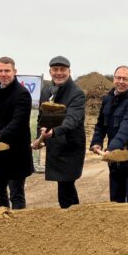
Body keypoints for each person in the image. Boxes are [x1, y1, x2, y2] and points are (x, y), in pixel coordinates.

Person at [33, 56, 86, 208]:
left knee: (66, 185)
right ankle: (71, 214)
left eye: (62, 70)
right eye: (55, 70)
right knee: (64, 186)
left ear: (69, 71)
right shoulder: (46, 90)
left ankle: (72, 216)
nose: (59, 73)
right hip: (55, 146)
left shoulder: (77, 93)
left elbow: (72, 120)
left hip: (71, 146)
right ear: (50, 71)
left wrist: (53, 132)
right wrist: (39, 138)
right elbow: (42, 118)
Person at [90, 66, 128, 202]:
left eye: (125, 79)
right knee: (115, 202)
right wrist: (97, 142)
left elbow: (127, 128)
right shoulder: (108, 99)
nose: (121, 81)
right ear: (113, 79)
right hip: (115, 163)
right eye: (118, 78)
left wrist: (111, 149)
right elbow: (100, 125)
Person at [0, 57, 34, 209]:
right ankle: (3, 221)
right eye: (0, 71)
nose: (3, 74)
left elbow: (17, 122)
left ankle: (18, 227)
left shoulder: (22, 94)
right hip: (0, 151)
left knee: (16, 194)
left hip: (17, 152)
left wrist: (0, 135)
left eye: (7, 71)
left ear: (15, 72)